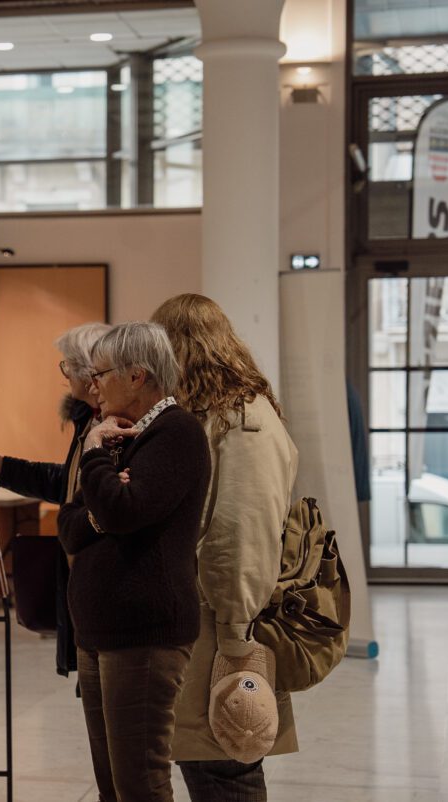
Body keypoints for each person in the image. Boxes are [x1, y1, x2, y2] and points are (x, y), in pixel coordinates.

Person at [150, 294, 299, 801]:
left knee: (224, 765)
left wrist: (237, 639)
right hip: (204, 618)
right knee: (213, 762)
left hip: (222, 626)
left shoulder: (241, 421)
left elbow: (241, 536)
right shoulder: (217, 414)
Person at [56, 322, 211, 802]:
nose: (94, 386)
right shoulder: (123, 435)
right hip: (100, 629)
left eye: (101, 374)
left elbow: (123, 511)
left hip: (144, 633)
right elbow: (70, 525)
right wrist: (103, 504)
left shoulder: (175, 433)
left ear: (137, 375)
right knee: (112, 785)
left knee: (140, 783)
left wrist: (95, 456)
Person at [0, 321, 110, 677]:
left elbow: (90, 497)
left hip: (101, 582)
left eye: (68, 365)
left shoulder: (110, 425)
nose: (65, 375)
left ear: (90, 372)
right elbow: (69, 482)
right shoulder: (88, 421)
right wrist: (5, 467)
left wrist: (69, 524)